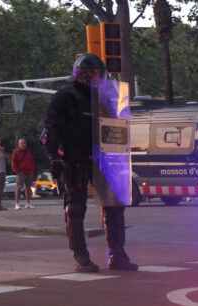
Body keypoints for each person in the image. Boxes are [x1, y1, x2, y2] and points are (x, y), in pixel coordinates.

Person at [43, 53, 138, 272]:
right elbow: (51, 129)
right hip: (75, 158)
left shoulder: (106, 97)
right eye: (93, 73)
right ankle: (80, 254)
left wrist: (120, 153)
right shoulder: (65, 97)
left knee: (114, 204)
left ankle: (117, 254)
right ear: (81, 74)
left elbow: (116, 126)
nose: (98, 77)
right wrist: (55, 157)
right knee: (75, 207)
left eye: (99, 73)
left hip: (104, 158)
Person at [11, 138, 35, 209]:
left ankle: (28, 203)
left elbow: (31, 160)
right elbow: (13, 162)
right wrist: (17, 170)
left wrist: (32, 169)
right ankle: (17, 203)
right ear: (19, 144)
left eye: (24, 143)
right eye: (22, 143)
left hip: (29, 171)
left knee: (28, 187)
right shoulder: (16, 152)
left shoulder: (28, 151)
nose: (24, 145)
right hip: (20, 172)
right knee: (19, 187)